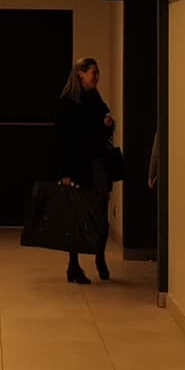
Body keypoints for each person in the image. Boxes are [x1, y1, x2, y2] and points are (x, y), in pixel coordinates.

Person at [51, 57, 116, 284]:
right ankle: (74, 265)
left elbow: (103, 130)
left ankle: (99, 256)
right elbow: (62, 141)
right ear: (81, 74)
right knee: (77, 215)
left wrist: (108, 125)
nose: (96, 77)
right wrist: (65, 173)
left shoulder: (95, 98)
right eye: (93, 73)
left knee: (100, 210)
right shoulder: (68, 103)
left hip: (97, 162)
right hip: (78, 165)